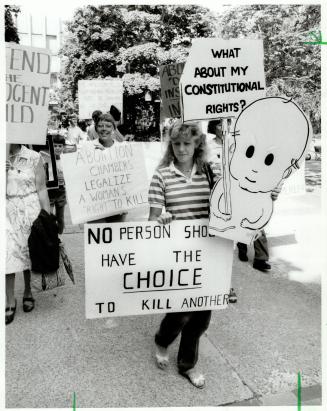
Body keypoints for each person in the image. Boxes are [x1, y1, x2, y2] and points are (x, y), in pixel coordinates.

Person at [148, 120, 220, 389]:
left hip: (209, 252)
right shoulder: (161, 176)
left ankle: (187, 365)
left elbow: (227, 208)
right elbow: (152, 219)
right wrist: (161, 220)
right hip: (175, 254)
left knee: (201, 316)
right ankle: (162, 339)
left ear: (197, 144)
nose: (181, 149)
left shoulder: (210, 173)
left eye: (186, 143)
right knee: (179, 312)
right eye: (176, 144)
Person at [6, 144, 50, 325]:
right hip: (7, 212)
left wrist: (47, 218)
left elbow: (41, 188)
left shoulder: (33, 157)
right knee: (7, 255)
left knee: (28, 253)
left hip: (30, 211)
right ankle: (9, 300)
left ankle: (28, 292)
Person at [88, 112, 127, 223]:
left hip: (117, 204)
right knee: (97, 237)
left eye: (108, 126)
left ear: (114, 129)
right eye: (100, 126)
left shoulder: (122, 148)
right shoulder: (88, 148)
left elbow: (127, 174)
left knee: (115, 237)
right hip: (95, 204)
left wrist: (126, 203)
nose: (104, 129)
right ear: (96, 129)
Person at [48, 134, 67, 235]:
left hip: (61, 190)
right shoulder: (48, 159)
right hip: (50, 190)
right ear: (51, 146)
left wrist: (65, 178)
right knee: (49, 215)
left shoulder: (66, 160)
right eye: (55, 146)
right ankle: (51, 235)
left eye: (60, 146)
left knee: (60, 217)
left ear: (63, 147)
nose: (58, 148)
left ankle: (59, 235)